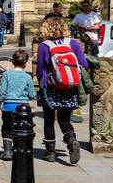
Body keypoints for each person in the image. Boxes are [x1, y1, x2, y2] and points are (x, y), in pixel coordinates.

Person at [37, 15, 88, 165]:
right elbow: (84, 65)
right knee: (64, 119)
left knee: (48, 120)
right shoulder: (73, 43)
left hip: (50, 87)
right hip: (69, 86)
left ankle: (50, 153)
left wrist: (42, 84)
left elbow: (40, 70)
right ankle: (71, 139)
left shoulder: (44, 46)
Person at [0, 48, 35, 160]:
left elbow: (2, 92)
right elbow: (32, 94)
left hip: (8, 107)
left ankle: (7, 152)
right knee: (22, 129)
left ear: (12, 61)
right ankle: (20, 150)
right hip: (23, 109)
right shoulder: (28, 77)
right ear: (26, 63)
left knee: (7, 128)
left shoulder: (7, 74)